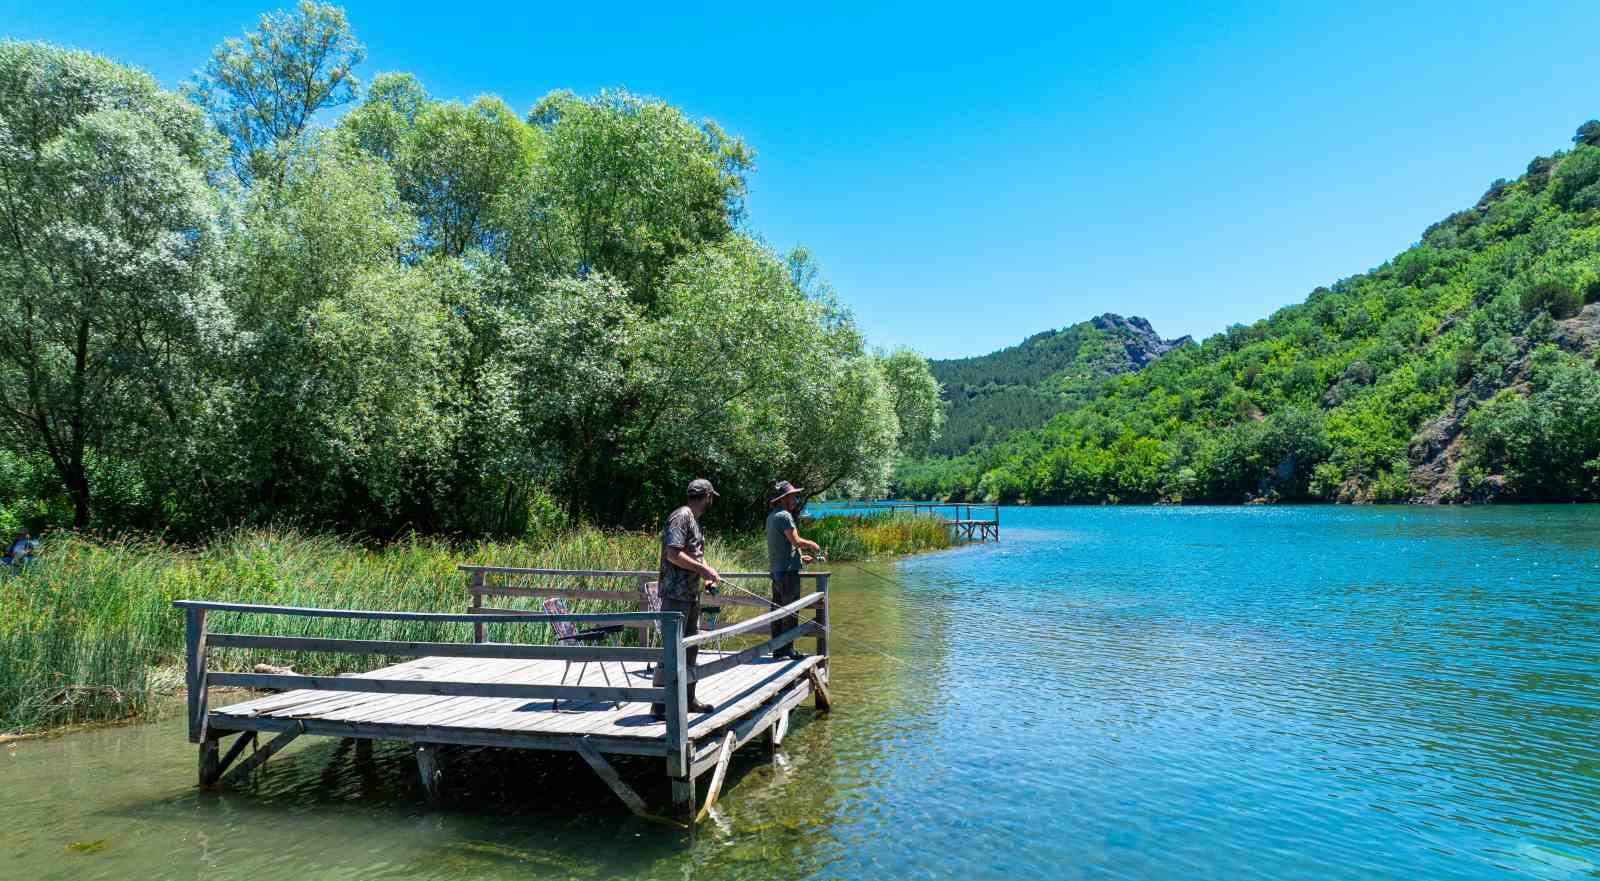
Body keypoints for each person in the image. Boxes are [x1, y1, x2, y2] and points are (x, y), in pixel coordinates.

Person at [650, 479, 722, 718]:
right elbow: (673, 554)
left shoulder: (693, 519)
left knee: (690, 648)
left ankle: (689, 700)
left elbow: (693, 556)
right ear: (708, 496)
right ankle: (660, 706)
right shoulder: (681, 516)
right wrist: (703, 571)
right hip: (675, 596)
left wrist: (708, 574)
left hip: (690, 595)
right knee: (671, 650)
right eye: (712, 497)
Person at [766, 481, 821, 660]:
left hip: (777, 571)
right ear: (784, 499)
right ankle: (788, 649)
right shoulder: (785, 516)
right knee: (791, 611)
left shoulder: (772, 516)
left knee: (777, 610)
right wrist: (812, 544)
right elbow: (796, 541)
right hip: (787, 574)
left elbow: (785, 545)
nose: (795, 499)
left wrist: (799, 557)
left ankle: (778, 649)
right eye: (792, 496)